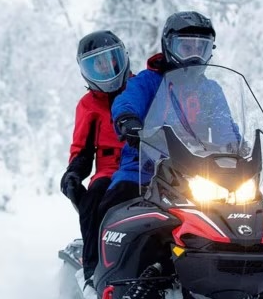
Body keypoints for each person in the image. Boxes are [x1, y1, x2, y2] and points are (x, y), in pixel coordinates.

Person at [97, 11, 233, 218]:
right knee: (113, 205)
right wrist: (128, 120)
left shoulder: (210, 91)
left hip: (199, 173)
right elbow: (127, 101)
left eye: (201, 48)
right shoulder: (149, 81)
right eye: (186, 48)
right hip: (144, 170)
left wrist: (237, 148)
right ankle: (95, 251)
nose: (194, 55)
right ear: (169, 46)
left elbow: (225, 127)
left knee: (248, 211)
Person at [61, 30, 131, 295]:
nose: (105, 69)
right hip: (109, 171)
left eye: (109, 60)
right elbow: (82, 149)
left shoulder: (140, 88)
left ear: (121, 58)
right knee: (95, 203)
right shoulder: (89, 105)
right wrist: (73, 173)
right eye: (96, 65)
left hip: (151, 166)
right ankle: (94, 273)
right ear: (86, 71)